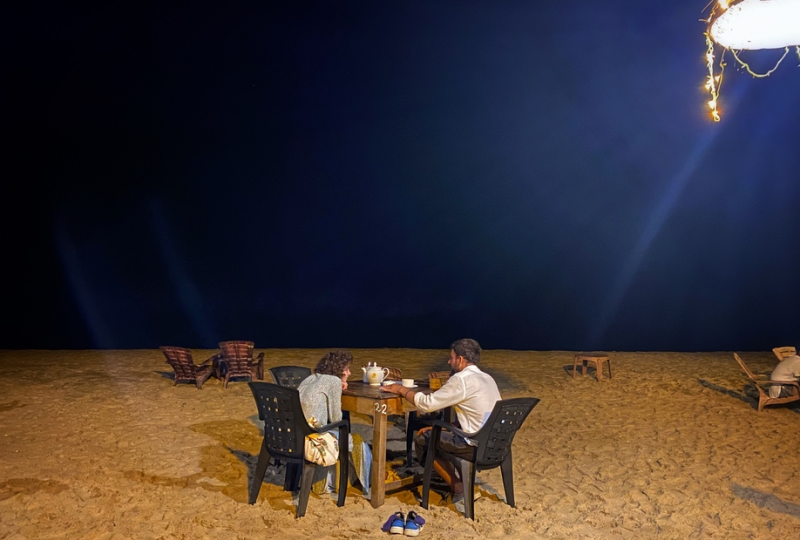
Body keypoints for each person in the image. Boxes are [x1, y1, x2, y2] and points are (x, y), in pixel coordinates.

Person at [381, 338, 501, 498]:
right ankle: (461, 479)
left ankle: (457, 486)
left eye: (452, 358)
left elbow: (427, 404)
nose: (449, 361)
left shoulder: (462, 379)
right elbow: (476, 417)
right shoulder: (487, 378)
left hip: (473, 444)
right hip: (496, 444)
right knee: (436, 434)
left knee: (423, 441)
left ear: (460, 359)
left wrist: (401, 389)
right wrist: (442, 427)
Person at [297, 351, 372, 499]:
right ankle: (367, 485)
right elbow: (336, 418)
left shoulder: (311, 378)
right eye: (347, 369)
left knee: (343, 436)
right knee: (359, 442)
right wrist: (336, 392)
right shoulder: (333, 381)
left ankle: (323, 483)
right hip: (315, 437)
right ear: (337, 370)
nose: (349, 373)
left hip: (297, 434)